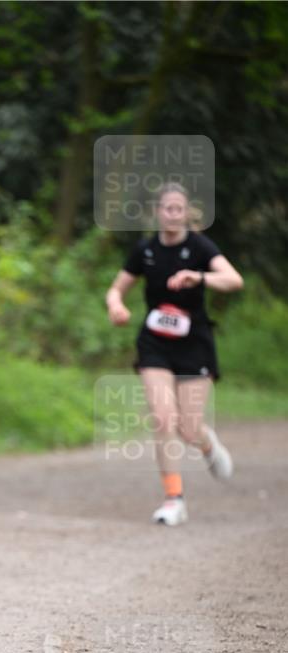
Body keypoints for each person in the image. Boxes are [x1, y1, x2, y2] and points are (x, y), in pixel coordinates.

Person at [105, 182, 244, 526]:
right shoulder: (146, 250)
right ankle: (173, 498)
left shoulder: (199, 247)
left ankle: (207, 444)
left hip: (194, 343)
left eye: (179, 209)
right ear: (157, 211)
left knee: (188, 427)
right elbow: (117, 288)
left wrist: (199, 277)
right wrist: (115, 306)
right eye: (167, 208)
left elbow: (233, 279)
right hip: (155, 343)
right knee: (164, 419)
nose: (173, 214)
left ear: (187, 213)